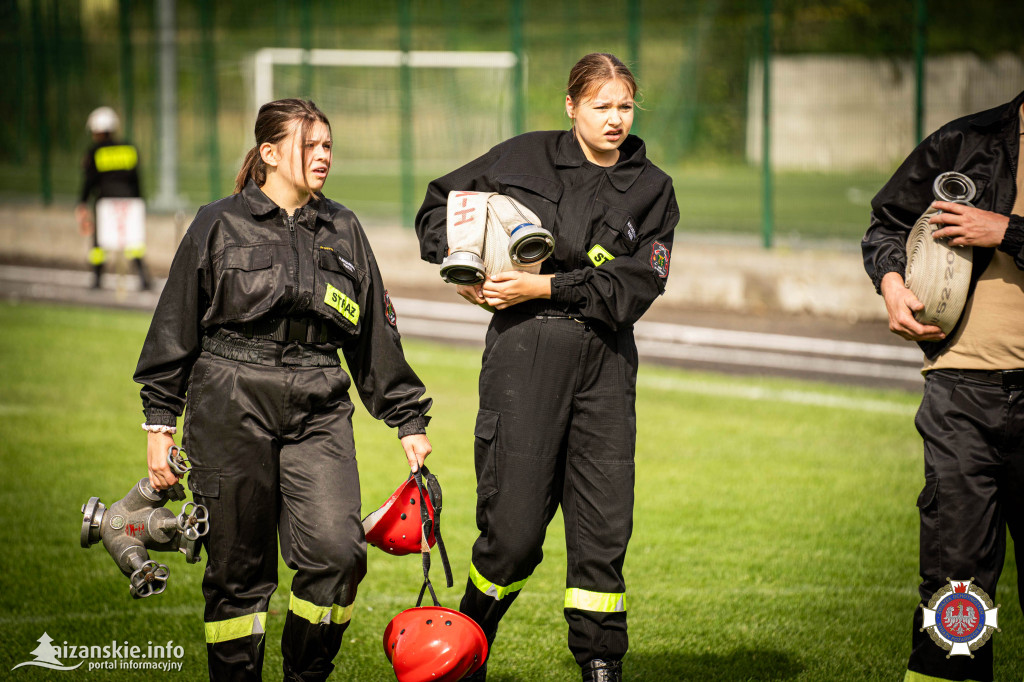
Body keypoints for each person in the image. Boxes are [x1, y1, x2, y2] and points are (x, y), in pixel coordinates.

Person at [134, 99, 433, 681]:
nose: (323, 156)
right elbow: (174, 325)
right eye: (310, 145)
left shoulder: (344, 228)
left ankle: (305, 675)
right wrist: (159, 421)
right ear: (269, 154)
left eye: (328, 146)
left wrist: (408, 420)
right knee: (237, 571)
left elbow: (374, 332)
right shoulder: (217, 223)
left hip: (319, 400)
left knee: (338, 555)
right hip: (229, 398)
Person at [416, 53, 678, 682]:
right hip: (523, 354)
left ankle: (600, 663)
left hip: (606, 363)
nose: (615, 119)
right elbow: (435, 210)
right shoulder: (521, 158)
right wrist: (466, 271)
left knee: (602, 529)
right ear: (571, 106)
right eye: (601, 106)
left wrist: (548, 288)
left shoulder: (653, 187)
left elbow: (636, 286)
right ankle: (468, 644)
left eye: (625, 106)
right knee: (512, 532)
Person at [862, 89, 1024, 682]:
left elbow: (1000, 231)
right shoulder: (965, 143)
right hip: (961, 394)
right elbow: (886, 224)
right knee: (956, 591)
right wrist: (890, 280)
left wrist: (1007, 231)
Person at [76, 106, 151, 290]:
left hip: (105, 204)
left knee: (99, 244)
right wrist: (140, 202)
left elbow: (89, 181)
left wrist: (82, 202)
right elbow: (137, 180)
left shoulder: (94, 152)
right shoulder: (129, 149)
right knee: (134, 242)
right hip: (130, 202)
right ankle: (143, 278)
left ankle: (97, 279)